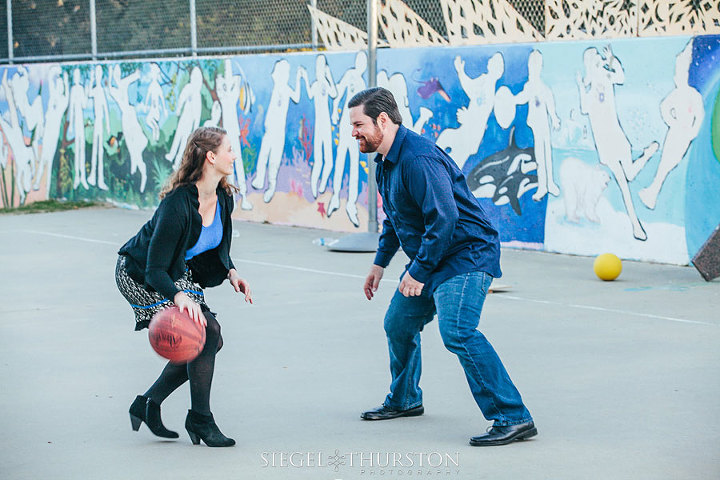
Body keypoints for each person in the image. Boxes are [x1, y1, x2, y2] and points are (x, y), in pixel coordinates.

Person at [351, 87, 535, 447]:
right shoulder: (386, 164)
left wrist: (418, 271)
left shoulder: (418, 159)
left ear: (383, 121)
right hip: (433, 256)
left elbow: (445, 219)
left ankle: (513, 417)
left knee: (458, 331)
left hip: (466, 254)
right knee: (398, 323)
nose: (353, 132)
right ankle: (405, 399)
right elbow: (396, 217)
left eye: (359, 124)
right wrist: (379, 263)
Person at [115, 126, 253, 447]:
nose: (234, 155)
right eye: (229, 149)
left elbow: (218, 246)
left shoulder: (223, 198)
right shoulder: (177, 205)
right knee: (208, 331)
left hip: (173, 270)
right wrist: (178, 296)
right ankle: (201, 419)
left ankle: (147, 404)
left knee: (207, 339)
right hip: (139, 273)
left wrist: (231, 272)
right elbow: (154, 269)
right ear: (211, 157)